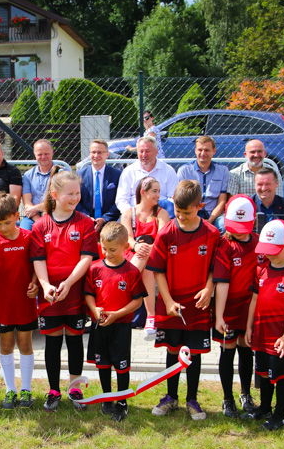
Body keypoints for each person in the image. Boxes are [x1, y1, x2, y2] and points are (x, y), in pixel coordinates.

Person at [147, 180, 218, 420]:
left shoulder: (211, 233)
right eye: (178, 212)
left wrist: (209, 289)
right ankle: (170, 397)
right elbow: (158, 270)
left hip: (198, 306)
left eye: (186, 213)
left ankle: (192, 400)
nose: (181, 217)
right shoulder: (167, 231)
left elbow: (215, 269)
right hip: (171, 305)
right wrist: (167, 300)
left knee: (194, 353)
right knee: (172, 351)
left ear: (200, 206)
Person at [30, 171, 98, 411]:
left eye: (77, 193)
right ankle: (53, 390)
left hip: (75, 292)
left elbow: (87, 257)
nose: (75, 197)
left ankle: (75, 387)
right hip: (50, 294)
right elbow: (38, 259)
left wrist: (69, 283)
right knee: (52, 341)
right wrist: (46, 285)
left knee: (75, 338)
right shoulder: (40, 226)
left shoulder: (85, 223)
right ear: (55, 194)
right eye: (70, 193)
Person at [0, 192, 39, 409]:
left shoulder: (28, 238)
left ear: (17, 216)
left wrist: (35, 283)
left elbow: (36, 266)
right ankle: (10, 390)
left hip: (24, 301)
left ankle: (26, 389)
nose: (2, 228)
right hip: (2, 303)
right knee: (6, 345)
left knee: (25, 343)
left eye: (6, 222)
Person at [245, 219, 284, 430]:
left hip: (278, 336)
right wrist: (250, 326)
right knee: (262, 373)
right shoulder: (261, 270)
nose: (269, 254)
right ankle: (265, 407)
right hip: (260, 332)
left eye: (274, 250)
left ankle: (280, 414)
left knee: (278, 375)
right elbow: (254, 299)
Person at [84, 221, 146, 421]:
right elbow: (88, 294)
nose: (107, 253)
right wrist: (94, 309)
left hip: (120, 326)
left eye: (112, 249)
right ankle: (106, 398)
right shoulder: (94, 269)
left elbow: (137, 301)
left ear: (125, 248)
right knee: (102, 364)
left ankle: (122, 400)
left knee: (121, 365)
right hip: (100, 325)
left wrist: (117, 314)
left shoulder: (131, 272)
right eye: (104, 248)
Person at [213, 195, 259, 417]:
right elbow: (221, 282)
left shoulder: (259, 243)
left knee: (246, 349)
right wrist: (219, 316)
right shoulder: (224, 244)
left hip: (250, 308)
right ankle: (227, 398)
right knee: (227, 350)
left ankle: (245, 394)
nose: (239, 231)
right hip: (229, 306)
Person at [121, 177, 170, 338]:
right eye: (154, 191)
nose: (158, 195)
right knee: (147, 267)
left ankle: (125, 282)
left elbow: (162, 240)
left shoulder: (162, 213)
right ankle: (151, 316)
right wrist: (136, 246)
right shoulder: (129, 213)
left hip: (155, 254)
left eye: (159, 191)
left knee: (148, 264)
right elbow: (127, 238)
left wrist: (148, 248)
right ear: (143, 192)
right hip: (133, 254)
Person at [115, 136, 178, 216]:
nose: (144, 155)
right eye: (141, 151)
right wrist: (132, 214)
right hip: (134, 214)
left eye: (147, 151)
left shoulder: (168, 171)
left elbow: (173, 198)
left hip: (161, 215)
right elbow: (121, 200)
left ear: (156, 152)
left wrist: (158, 212)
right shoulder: (128, 171)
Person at [176, 136, 229, 228]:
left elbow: (222, 200)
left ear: (214, 151)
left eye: (207, 150)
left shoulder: (223, 170)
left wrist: (210, 219)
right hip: (191, 213)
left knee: (223, 225)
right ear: (195, 151)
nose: (203, 153)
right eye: (200, 150)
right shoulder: (184, 171)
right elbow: (181, 199)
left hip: (214, 214)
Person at [76, 139, 121, 232]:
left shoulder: (117, 175)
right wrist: (87, 217)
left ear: (107, 154)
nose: (96, 156)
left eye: (100, 152)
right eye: (93, 152)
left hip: (110, 221)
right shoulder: (79, 175)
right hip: (85, 220)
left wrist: (105, 218)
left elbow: (119, 200)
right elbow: (75, 200)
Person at [21, 139, 63, 230]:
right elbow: (27, 203)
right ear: (35, 155)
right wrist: (38, 220)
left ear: (52, 153)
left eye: (46, 153)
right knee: (24, 232)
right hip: (32, 217)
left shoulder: (61, 173)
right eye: (40, 154)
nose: (43, 157)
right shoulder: (28, 176)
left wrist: (34, 209)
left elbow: (58, 201)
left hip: (55, 214)